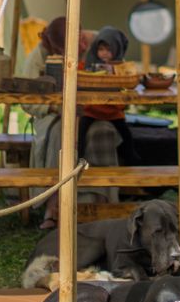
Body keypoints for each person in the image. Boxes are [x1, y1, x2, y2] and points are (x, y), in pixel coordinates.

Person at [19, 16, 93, 229]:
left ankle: (95, 204)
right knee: (60, 133)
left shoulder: (91, 44)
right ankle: (53, 206)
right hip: (51, 116)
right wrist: (53, 107)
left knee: (101, 131)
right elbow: (27, 101)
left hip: (90, 111)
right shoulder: (38, 57)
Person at [79, 25, 138, 169]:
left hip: (114, 114)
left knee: (128, 139)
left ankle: (133, 167)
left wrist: (114, 71)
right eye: (101, 49)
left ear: (117, 49)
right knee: (80, 137)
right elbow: (78, 73)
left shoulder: (122, 68)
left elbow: (131, 78)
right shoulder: (89, 64)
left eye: (109, 50)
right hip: (92, 111)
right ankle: (78, 162)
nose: (104, 53)